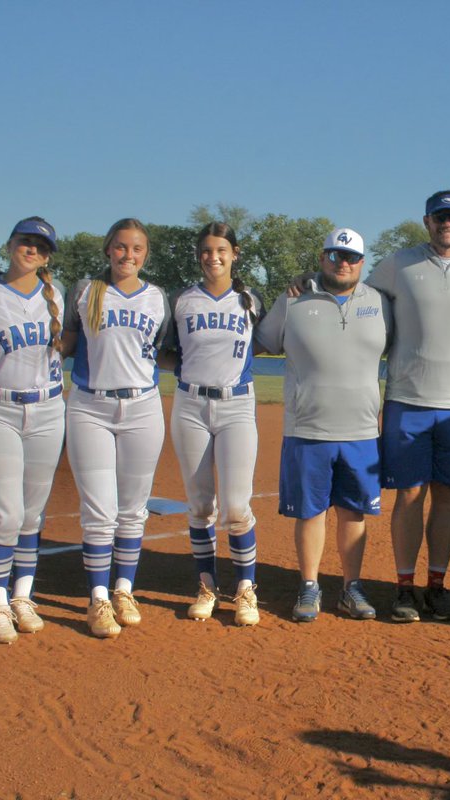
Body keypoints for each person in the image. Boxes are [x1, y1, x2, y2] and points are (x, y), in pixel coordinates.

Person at [366, 190, 450, 622]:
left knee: (447, 498)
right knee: (408, 496)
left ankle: (437, 586)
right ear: (426, 221)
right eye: (439, 217)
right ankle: (404, 588)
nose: (447, 224)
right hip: (408, 401)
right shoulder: (398, 264)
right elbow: (359, 299)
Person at [255, 227, 390, 622]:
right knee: (310, 512)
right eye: (335, 255)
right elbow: (259, 342)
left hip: (363, 431)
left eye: (350, 257)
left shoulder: (381, 303)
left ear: (362, 263)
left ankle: (352, 587)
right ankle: (309, 585)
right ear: (322, 257)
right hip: (307, 429)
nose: (342, 263)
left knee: (354, 513)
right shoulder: (294, 300)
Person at [61, 218, 169, 638]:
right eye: (121, 247)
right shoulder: (85, 291)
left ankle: (124, 589)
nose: (128, 255)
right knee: (99, 511)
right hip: (90, 406)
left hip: (143, 407)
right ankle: (98, 598)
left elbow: (164, 350)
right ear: (108, 250)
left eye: (137, 249)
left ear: (146, 254)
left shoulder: (159, 299)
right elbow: (68, 343)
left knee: (133, 507)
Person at [0, 217, 67, 644]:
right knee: (4, 512)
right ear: (9, 244)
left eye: (40, 247)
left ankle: (22, 595)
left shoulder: (55, 295)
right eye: (25, 242)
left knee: (32, 511)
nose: (32, 250)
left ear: (47, 257)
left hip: (47, 409)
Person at [164, 222, 263, 627]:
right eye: (206, 250)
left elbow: (271, 339)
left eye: (221, 250)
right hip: (190, 402)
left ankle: (245, 590)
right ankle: (206, 586)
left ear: (235, 253)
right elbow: (164, 353)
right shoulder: (182, 300)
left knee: (237, 507)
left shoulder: (251, 301)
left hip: (237, 404)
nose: (213, 257)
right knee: (201, 504)